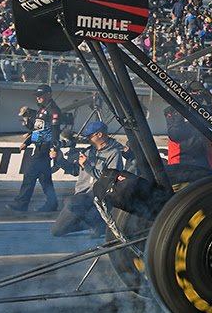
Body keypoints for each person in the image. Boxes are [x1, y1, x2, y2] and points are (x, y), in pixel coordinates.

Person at [50, 121, 127, 237]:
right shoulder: (88, 151)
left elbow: (108, 180)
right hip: (82, 196)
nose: (87, 138)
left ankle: (98, 222)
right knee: (56, 231)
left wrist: (87, 165)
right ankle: (98, 224)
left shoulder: (114, 153)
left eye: (90, 136)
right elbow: (75, 170)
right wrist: (60, 160)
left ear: (99, 135)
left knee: (70, 202)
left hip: (98, 195)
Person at [7, 84, 62, 212]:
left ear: (49, 95)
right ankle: (52, 203)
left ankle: (21, 203)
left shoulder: (53, 111)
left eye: (40, 95)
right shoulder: (41, 110)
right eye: (37, 96)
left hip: (45, 148)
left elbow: (55, 132)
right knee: (44, 177)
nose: (38, 98)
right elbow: (37, 130)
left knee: (29, 175)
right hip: (39, 146)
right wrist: (27, 142)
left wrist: (53, 148)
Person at [164, 82, 212, 168]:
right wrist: (183, 107)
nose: (196, 95)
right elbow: (174, 135)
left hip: (203, 159)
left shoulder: (202, 110)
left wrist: (209, 102)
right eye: (194, 92)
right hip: (180, 159)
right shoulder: (172, 110)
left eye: (199, 92)